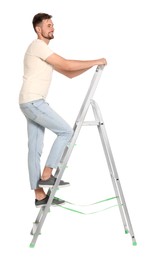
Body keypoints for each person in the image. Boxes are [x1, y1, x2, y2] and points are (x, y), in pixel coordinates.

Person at [19, 13, 107, 208]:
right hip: (34, 102)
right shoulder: (38, 46)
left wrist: (92, 65)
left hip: (29, 101)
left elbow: (68, 73)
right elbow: (67, 64)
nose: (52, 28)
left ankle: (40, 195)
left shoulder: (43, 52)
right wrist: (96, 60)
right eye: (48, 25)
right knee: (66, 131)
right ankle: (47, 174)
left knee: (34, 148)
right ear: (38, 29)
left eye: (53, 25)